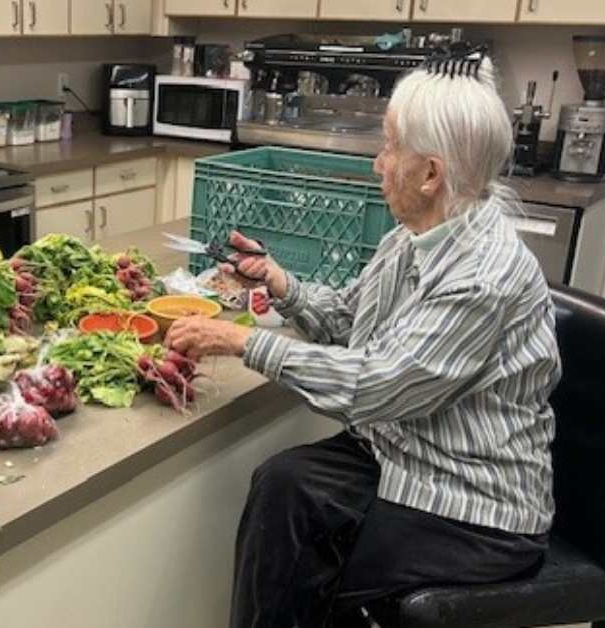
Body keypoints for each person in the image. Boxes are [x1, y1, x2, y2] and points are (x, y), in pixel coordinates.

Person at [164, 56, 561, 628]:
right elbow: (353, 322)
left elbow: (377, 386)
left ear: (430, 173)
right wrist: (282, 285)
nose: (378, 164)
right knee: (284, 488)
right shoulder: (415, 238)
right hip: (406, 454)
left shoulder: (483, 275)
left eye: (390, 147)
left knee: (299, 552)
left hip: (475, 506)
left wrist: (239, 342)